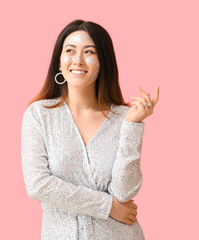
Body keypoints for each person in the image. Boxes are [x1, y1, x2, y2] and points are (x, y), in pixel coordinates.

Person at [21, 19, 159, 240]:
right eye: (70, 51)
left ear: (103, 61)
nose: (78, 60)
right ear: (59, 61)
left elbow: (124, 192)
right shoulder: (39, 114)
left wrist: (132, 126)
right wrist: (107, 206)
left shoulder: (123, 117)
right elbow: (38, 185)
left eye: (89, 52)